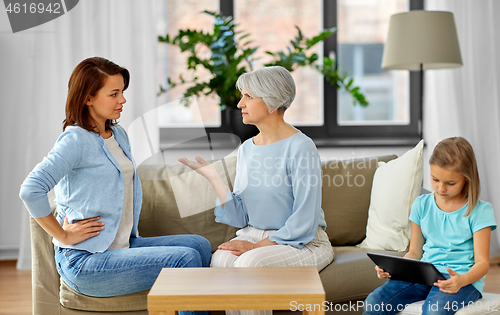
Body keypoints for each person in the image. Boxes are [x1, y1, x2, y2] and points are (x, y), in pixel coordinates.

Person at [19, 57, 211, 315]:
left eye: (122, 92)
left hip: (120, 246)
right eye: (114, 93)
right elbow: (30, 189)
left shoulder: (118, 134)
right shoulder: (75, 140)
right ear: (88, 98)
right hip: (86, 261)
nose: (123, 100)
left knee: (199, 245)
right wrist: (62, 236)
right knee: (185, 259)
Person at [179, 66, 334, 315]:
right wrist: (214, 178)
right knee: (221, 259)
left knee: (250, 263)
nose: (240, 103)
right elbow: (241, 217)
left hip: (302, 242)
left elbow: (305, 221)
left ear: (272, 102)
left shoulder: (301, 147)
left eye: (248, 96)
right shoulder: (247, 149)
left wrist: (255, 247)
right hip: (254, 233)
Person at [363, 137, 497, 315]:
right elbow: (415, 252)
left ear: (467, 178)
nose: (441, 188)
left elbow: (482, 263)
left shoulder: (480, 211)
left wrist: (461, 280)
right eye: (435, 179)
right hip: (424, 274)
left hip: (462, 280)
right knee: (373, 303)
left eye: (450, 183)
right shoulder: (421, 205)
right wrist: (396, 270)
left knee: (435, 311)